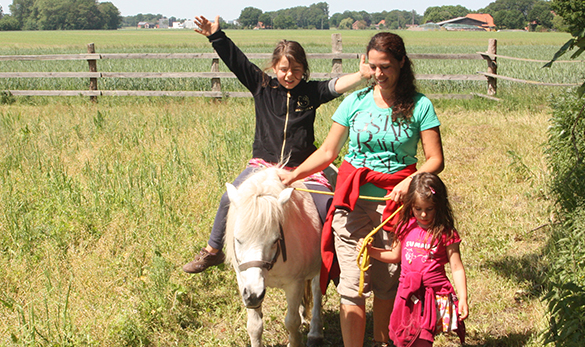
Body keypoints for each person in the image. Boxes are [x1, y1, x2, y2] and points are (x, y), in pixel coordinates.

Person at [279, 32, 444, 347]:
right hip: (351, 202)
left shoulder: (420, 105)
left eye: (386, 66)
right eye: (373, 66)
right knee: (351, 288)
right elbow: (328, 152)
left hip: (396, 206)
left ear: (402, 64)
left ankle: (383, 342)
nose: (379, 74)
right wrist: (293, 175)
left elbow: (435, 159)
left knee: (387, 285)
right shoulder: (354, 102)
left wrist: (410, 181)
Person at [182, 15, 371, 273]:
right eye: (283, 69)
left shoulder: (310, 93)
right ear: (273, 67)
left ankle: (333, 263)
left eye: (295, 70)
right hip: (262, 165)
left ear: (304, 69)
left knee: (326, 207)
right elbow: (237, 62)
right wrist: (216, 36)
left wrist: (361, 75)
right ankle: (213, 250)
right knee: (229, 198)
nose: (289, 75)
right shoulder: (262, 87)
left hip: (303, 167)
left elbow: (335, 85)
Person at [358, 172, 468, 347]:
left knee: (422, 339)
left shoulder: (444, 232)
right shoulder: (405, 226)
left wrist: (463, 297)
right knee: (403, 338)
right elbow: (395, 256)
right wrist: (371, 252)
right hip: (406, 294)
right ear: (410, 206)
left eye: (429, 209)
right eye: (418, 209)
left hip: (430, 295)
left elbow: (456, 267)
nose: (423, 214)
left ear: (439, 206)